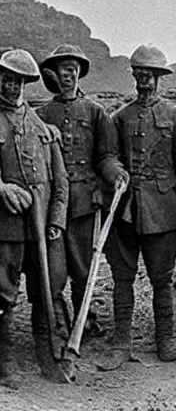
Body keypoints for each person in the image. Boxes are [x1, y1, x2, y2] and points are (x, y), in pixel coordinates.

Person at [104, 44, 176, 368]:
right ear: (133, 76)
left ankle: (165, 340)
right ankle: (121, 344)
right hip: (126, 208)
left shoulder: (174, 114)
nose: (145, 81)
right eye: (140, 75)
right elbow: (110, 156)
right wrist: (117, 173)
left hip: (163, 207)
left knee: (162, 277)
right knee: (123, 277)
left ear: (159, 77)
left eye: (150, 75)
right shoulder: (121, 116)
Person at [37, 44, 129, 335]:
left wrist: (116, 175)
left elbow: (106, 156)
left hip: (85, 203)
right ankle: (58, 327)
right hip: (52, 205)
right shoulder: (42, 114)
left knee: (83, 270)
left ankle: (84, 322)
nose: (68, 75)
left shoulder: (96, 112)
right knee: (54, 271)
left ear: (80, 74)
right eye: (64, 69)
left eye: (73, 69)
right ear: (55, 73)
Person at [0, 49, 70, 385]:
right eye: (6, 80)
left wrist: (56, 221)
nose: (11, 87)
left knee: (46, 289)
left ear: (27, 84)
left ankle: (49, 358)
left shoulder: (42, 126)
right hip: (6, 226)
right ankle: (5, 364)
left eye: (17, 81)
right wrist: (1, 189)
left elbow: (61, 181)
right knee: (3, 293)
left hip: (41, 227)